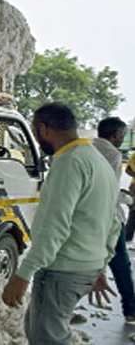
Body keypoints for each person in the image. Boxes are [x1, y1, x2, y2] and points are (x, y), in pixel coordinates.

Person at [1, 103, 120, 344]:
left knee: (47, 338)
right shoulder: (97, 161)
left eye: (35, 131)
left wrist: (22, 275)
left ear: (44, 129)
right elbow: (114, 221)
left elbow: (53, 226)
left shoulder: (69, 162)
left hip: (62, 270)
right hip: (84, 267)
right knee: (40, 330)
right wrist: (99, 265)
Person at [92, 117, 135, 323]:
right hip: (109, 218)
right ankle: (131, 310)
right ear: (115, 135)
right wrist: (125, 198)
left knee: (82, 263)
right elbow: (107, 190)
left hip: (87, 218)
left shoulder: (88, 149)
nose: (122, 139)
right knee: (121, 265)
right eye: (122, 135)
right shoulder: (113, 154)